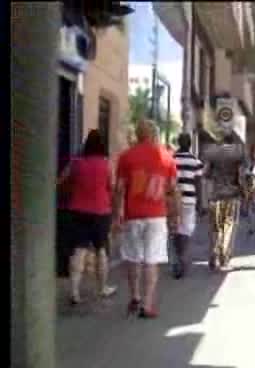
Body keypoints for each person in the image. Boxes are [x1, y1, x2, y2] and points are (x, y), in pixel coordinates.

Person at [113, 119, 181, 319]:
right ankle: (147, 304)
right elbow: (173, 190)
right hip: (156, 216)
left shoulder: (126, 157)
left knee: (133, 257)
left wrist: (117, 214)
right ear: (154, 135)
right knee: (152, 260)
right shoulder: (167, 158)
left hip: (132, 215)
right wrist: (175, 215)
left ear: (138, 134)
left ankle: (134, 296)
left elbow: (119, 189)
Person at [57, 129, 117, 305]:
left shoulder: (76, 163)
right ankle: (102, 288)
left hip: (78, 211)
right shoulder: (107, 164)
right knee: (101, 250)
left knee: (79, 250)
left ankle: (74, 292)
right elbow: (112, 187)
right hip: (101, 211)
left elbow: (60, 180)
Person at [203, 130, 247, 272]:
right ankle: (223, 259)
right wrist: (244, 193)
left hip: (215, 196)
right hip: (232, 196)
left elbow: (206, 173)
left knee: (215, 228)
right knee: (229, 227)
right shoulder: (238, 154)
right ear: (233, 141)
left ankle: (213, 255)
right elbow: (241, 177)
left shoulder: (212, 153)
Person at [171, 133, 203, 279]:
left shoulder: (172, 159)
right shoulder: (196, 162)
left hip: (173, 199)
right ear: (190, 145)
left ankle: (178, 256)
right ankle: (182, 257)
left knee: (175, 229)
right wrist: (200, 203)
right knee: (186, 229)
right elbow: (198, 183)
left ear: (178, 143)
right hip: (190, 200)